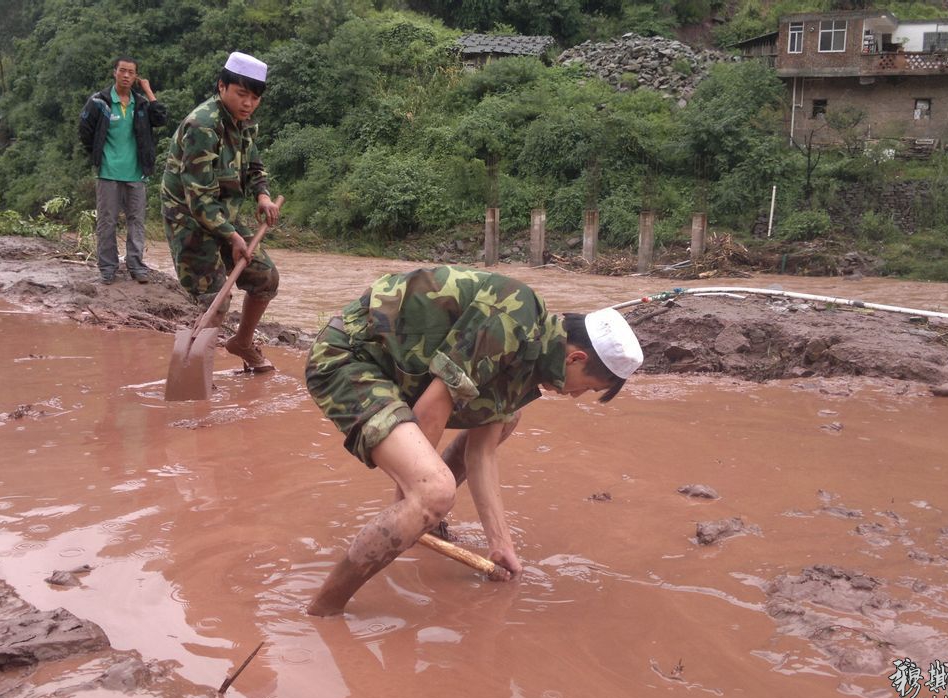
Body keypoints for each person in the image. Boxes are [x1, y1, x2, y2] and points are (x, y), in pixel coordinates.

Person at [303, 266, 644, 616]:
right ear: (576, 358)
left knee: (507, 418)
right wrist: (414, 497)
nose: (576, 397)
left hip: (398, 375)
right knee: (433, 491)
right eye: (587, 388)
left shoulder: (531, 362)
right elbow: (432, 409)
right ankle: (323, 610)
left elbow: (481, 452)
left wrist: (501, 544)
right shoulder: (516, 313)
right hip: (349, 358)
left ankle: (425, 520)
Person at [161, 51, 281, 373]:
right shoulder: (203, 126)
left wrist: (263, 196)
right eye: (241, 94)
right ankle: (194, 372)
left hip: (223, 217)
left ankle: (241, 342)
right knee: (215, 299)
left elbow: (254, 166)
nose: (248, 103)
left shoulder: (243, 124)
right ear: (222, 86)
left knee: (265, 276)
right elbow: (198, 198)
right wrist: (231, 237)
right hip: (189, 219)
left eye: (255, 97)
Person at [78, 56, 168, 284]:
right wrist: (98, 153)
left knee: (136, 220)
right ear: (114, 73)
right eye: (122, 71)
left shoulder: (141, 103)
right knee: (107, 221)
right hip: (108, 172)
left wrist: (148, 90)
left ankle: (136, 265)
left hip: (136, 172)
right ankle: (108, 268)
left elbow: (160, 119)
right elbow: (85, 129)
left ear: (136, 76)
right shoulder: (100, 101)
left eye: (131, 72)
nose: (126, 75)